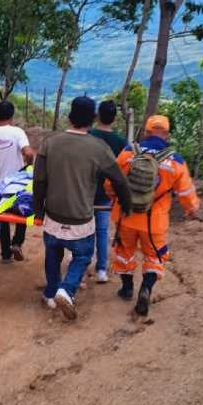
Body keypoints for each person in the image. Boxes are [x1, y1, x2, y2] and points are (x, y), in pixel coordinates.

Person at [32, 96, 133, 321]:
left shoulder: (50, 143)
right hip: (81, 218)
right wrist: (126, 205)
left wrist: (38, 211)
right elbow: (119, 180)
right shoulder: (99, 148)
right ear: (92, 118)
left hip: (53, 216)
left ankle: (50, 295)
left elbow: (39, 181)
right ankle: (66, 290)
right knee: (84, 255)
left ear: (69, 116)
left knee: (52, 254)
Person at [108, 115, 201, 319]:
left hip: (126, 215)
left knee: (124, 251)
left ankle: (126, 289)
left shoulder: (128, 152)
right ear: (166, 135)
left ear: (147, 132)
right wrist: (192, 209)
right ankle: (146, 289)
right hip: (154, 222)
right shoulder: (175, 160)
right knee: (155, 256)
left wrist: (114, 197)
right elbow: (186, 193)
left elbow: (111, 181)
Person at [0, 101, 35, 264]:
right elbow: (28, 153)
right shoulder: (17, 132)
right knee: (24, 210)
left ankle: (5, 255)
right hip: (17, 184)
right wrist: (28, 166)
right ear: (12, 116)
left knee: (1, 218)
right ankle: (17, 242)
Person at [88, 100, 129, 283]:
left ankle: (81, 262)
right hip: (107, 193)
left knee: (84, 229)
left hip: (86, 190)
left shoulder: (88, 135)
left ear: (98, 115)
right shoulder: (121, 142)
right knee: (102, 231)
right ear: (114, 118)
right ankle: (101, 269)